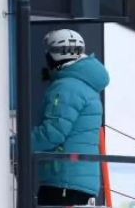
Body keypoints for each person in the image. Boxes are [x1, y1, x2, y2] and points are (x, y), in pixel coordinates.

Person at [32, 29, 109, 206]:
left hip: (63, 180)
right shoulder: (83, 84)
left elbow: (53, 133)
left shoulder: (66, 87)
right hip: (76, 180)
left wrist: (17, 144)